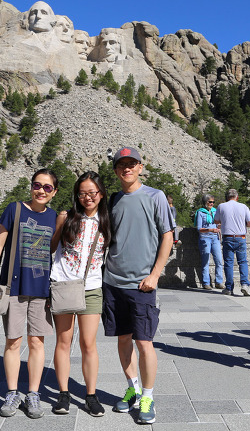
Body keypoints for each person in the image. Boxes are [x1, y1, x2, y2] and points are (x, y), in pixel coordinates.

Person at [103, 147, 175, 425]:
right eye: (122, 165)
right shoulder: (115, 199)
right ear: (116, 170)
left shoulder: (155, 196)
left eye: (132, 164)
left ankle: (147, 396)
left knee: (144, 342)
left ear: (141, 167)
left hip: (142, 283)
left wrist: (155, 274)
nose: (127, 168)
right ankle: (132, 387)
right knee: (123, 339)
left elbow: (167, 236)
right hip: (113, 281)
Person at [0, 169, 58, 419]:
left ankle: (33, 393)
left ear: (54, 192)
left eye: (47, 187)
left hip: (40, 289)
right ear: (31, 186)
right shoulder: (15, 209)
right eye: (38, 185)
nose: (41, 191)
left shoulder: (54, 217)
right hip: (13, 287)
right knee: (13, 341)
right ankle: (13, 392)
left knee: (37, 342)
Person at [50, 171, 110, 417]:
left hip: (92, 287)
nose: (88, 197)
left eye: (92, 192)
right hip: (64, 284)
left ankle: (90, 395)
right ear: (77, 195)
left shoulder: (107, 221)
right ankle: (63, 394)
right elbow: (52, 247)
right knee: (64, 342)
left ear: (101, 194)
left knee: (88, 343)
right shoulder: (67, 217)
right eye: (83, 193)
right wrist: (58, 226)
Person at [214, 189, 250, 296]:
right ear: (237, 197)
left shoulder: (221, 206)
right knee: (243, 262)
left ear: (227, 197)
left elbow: (216, 221)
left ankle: (229, 288)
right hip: (240, 237)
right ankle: (245, 284)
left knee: (228, 263)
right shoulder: (243, 206)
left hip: (227, 237)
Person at [194, 195, 224, 290]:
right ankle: (206, 282)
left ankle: (219, 281)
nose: (212, 204)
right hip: (205, 238)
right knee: (205, 261)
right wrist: (210, 229)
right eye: (210, 202)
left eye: (213, 202)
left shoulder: (215, 211)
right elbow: (199, 228)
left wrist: (219, 226)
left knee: (219, 260)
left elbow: (219, 223)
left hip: (215, 238)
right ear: (205, 202)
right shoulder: (200, 212)